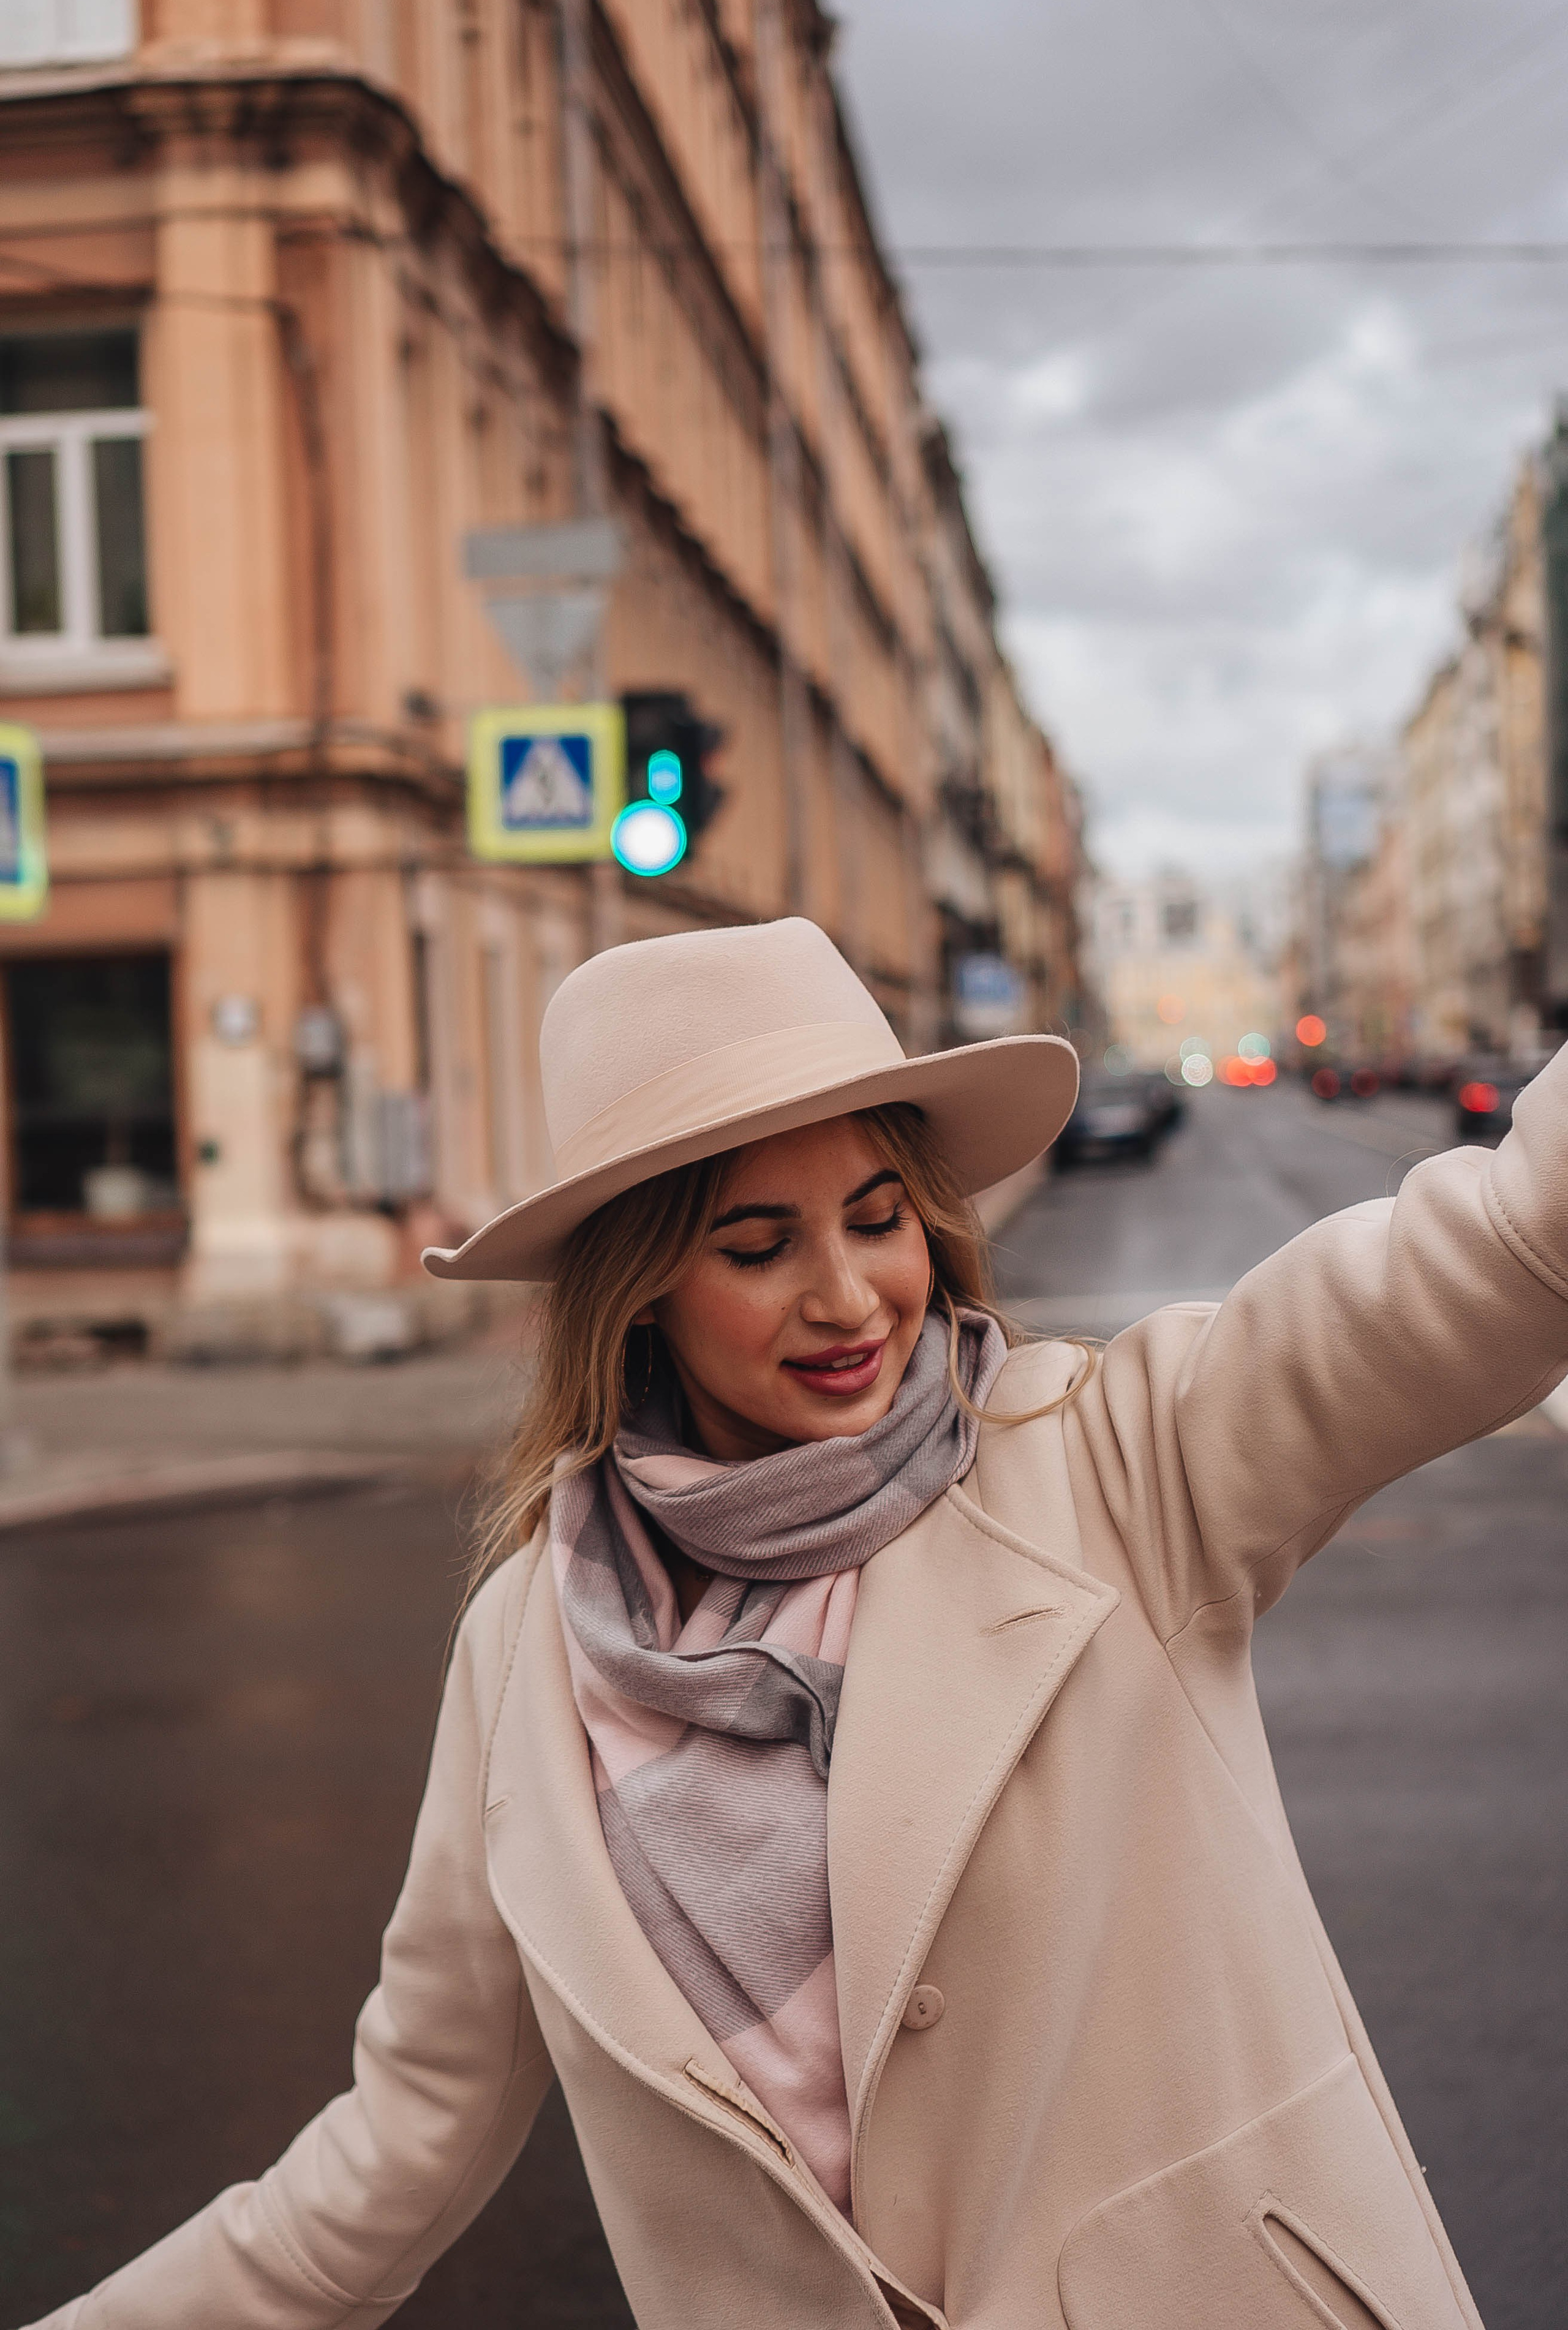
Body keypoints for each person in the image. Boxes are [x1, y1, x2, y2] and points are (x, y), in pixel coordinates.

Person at [25, 915, 1565, 2330]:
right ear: (640, 1291)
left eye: (878, 1219)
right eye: (757, 1247)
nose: (849, 1299)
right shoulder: (525, 1649)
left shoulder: (1116, 1460)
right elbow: (393, 2153)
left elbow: (1487, 1256)